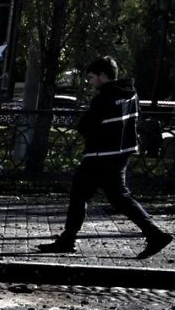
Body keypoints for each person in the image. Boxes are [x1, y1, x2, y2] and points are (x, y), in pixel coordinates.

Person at [37, 56, 170, 258]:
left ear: (102, 75)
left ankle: (154, 233)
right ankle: (154, 234)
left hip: (100, 154)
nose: (90, 81)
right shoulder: (131, 94)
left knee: (85, 193)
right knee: (114, 196)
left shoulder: (103, 98)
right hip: (122, 152)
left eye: (91, 77)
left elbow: (85, 126)